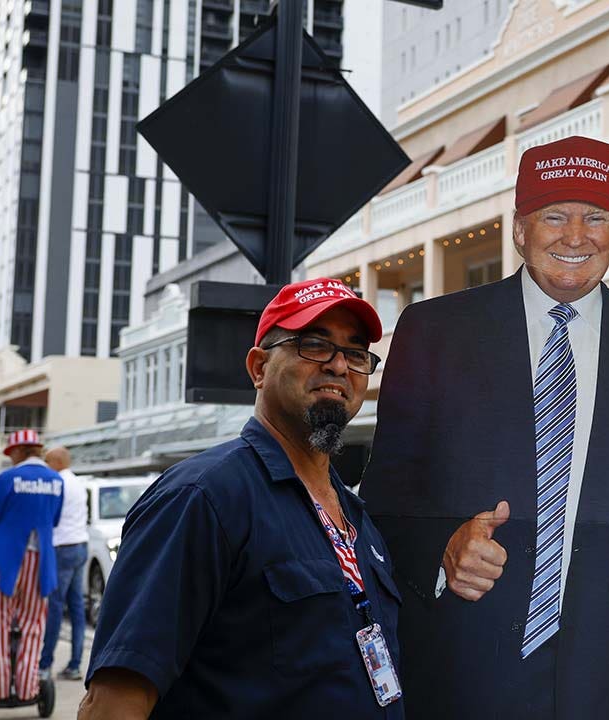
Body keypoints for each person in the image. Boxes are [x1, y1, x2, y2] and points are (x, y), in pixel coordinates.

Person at [362, 135, 609, 719]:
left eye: (597, 219)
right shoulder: (434, 333)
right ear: (519, 228)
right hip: (461, 675)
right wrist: (440, 549)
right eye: (554, 216)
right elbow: (387, 491)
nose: (576, 237)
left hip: (606, 677)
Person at [78, 278, 404, 720]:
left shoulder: (356, 517)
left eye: (355, 352)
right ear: (258, 368)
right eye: (314, 344)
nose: (339, 366)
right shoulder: (201, 498)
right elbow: (114, 703)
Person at [0, 429, 64, 703]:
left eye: (11, 452)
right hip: (41, 562)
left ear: (20, 450)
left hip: (8, 559)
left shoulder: (9, 478)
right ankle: (28, 688)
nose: (10, 457)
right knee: (34, 624)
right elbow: (56, 519)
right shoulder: (55, 480)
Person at [39, 446, 89, 682]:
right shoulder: (78, 483)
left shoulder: (57, 483)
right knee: (77, 608)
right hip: (80, 545)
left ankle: (45, 664)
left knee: (56, 607)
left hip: (62, 547)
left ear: (57, 462)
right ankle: (75, 664)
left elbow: (47, 516)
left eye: (47, 460)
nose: (45, 465)